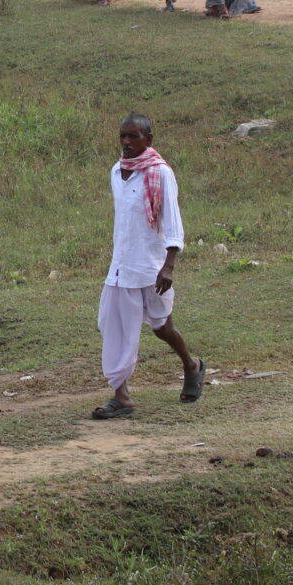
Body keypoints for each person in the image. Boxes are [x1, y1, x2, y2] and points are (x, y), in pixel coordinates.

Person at [91, 114, 204, 420]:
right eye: (122, 137)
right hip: (121, 268)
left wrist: (169, 266)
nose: (127, 143)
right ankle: (121, 396)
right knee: (116, 328)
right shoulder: (117, 171)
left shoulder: (161, 173)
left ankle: (191, 366)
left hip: (151, 266)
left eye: (133, 137)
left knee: (162, 326)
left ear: (148, 140)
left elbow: (172, 221)